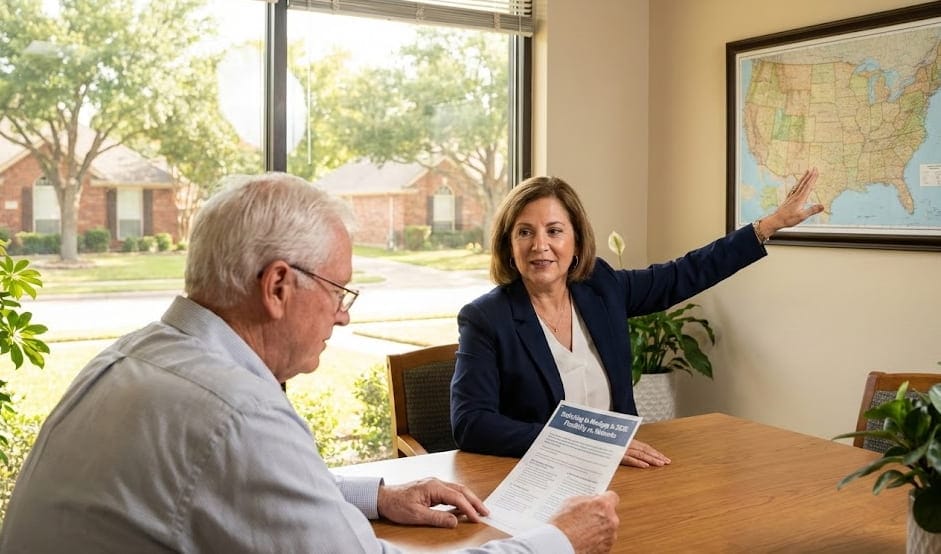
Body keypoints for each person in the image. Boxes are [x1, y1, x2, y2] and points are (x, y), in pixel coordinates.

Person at [0, 173, 620, 553]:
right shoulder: (236, 415)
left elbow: (235, 487)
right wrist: (558, 541)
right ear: (277, 287)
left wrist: (377, 496)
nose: (343, 316)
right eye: (339, 292)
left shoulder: (131, 357)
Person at [451, 169, 823, 467]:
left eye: (554, 231)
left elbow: (681, 274)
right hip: (541, 473)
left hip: (621, 469)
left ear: (576, 242)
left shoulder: (600, 286)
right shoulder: (485, 318)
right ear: (508, 245)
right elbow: (472, 424)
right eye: (525, 232)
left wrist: (766, 227)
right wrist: (579, 443)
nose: (540, 245)